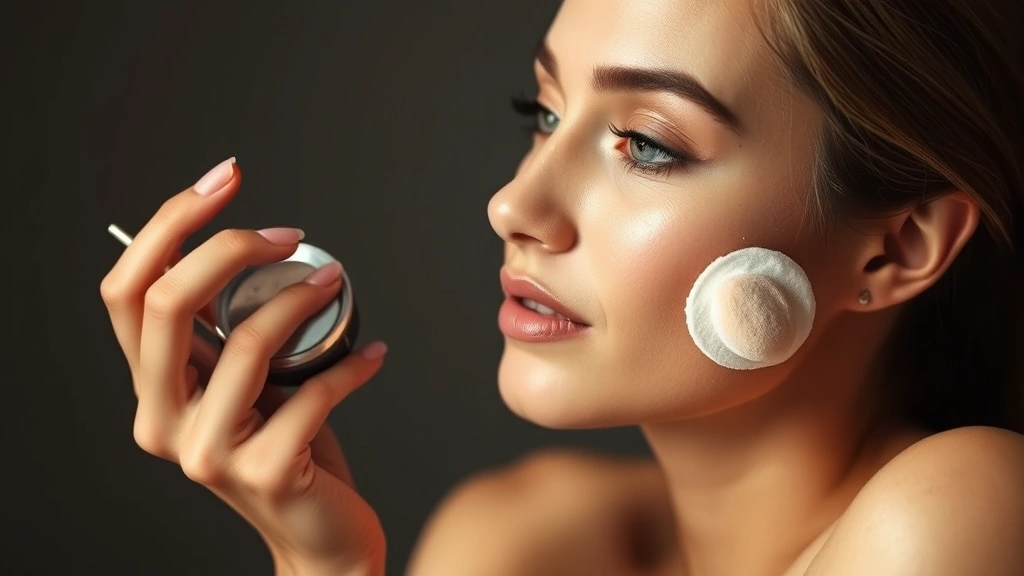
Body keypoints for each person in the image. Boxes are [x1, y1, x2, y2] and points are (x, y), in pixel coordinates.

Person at [99, 0, 1024, 574]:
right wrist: (322, 569)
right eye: (544, 113)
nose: (513, 202)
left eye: (648, 145)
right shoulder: (516, 541)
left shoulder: (962, 509)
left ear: (897, 249)